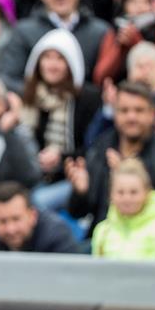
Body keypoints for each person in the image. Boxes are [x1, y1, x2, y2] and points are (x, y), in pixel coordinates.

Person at [65, 81, 155, 233]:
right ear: (114, 113)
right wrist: (81, 192)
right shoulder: (102, 146)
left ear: (153, 114)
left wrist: (128, 176)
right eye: (124, 110)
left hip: (148, 242)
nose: (131, 117)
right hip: (103, 238)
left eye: (139, 110)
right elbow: (78, 213)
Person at [0, 0, 111, 94]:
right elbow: (7, 77)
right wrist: (38, 96)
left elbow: (106, 81)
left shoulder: (100, 32)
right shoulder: (23, 31)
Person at [21, 29, 101, 211]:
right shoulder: (30, 98)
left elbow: (94, 146)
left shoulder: (87, 98)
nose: (52, 65)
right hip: (36, 175)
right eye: (47, 57)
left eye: (60, 58)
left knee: (35, 202)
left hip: (73, 177)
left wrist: (61, 157)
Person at [91, 158, 155, 259]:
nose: (127, 198)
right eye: (120, 192)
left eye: (133, 192)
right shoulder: (102, 231)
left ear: (147, 192)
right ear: (111, 195)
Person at [0, 181, 80, 253]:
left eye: (16, 219)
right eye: (2, 221)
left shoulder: (56, 236)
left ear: (33, 215)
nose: (10, 229)